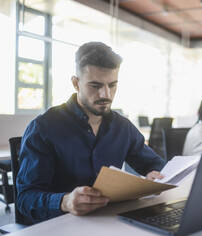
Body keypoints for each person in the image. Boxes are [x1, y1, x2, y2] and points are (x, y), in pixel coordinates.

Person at [17, 42, 165, 224]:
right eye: (95, 86)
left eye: (112, 85)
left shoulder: (123, 127)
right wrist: (65, 202)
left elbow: (156, 166)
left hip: (110, 222)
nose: (106, 94)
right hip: (60, 226)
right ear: (76, 83)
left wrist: (155, 175)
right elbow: (25, 199)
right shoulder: (44, 128)